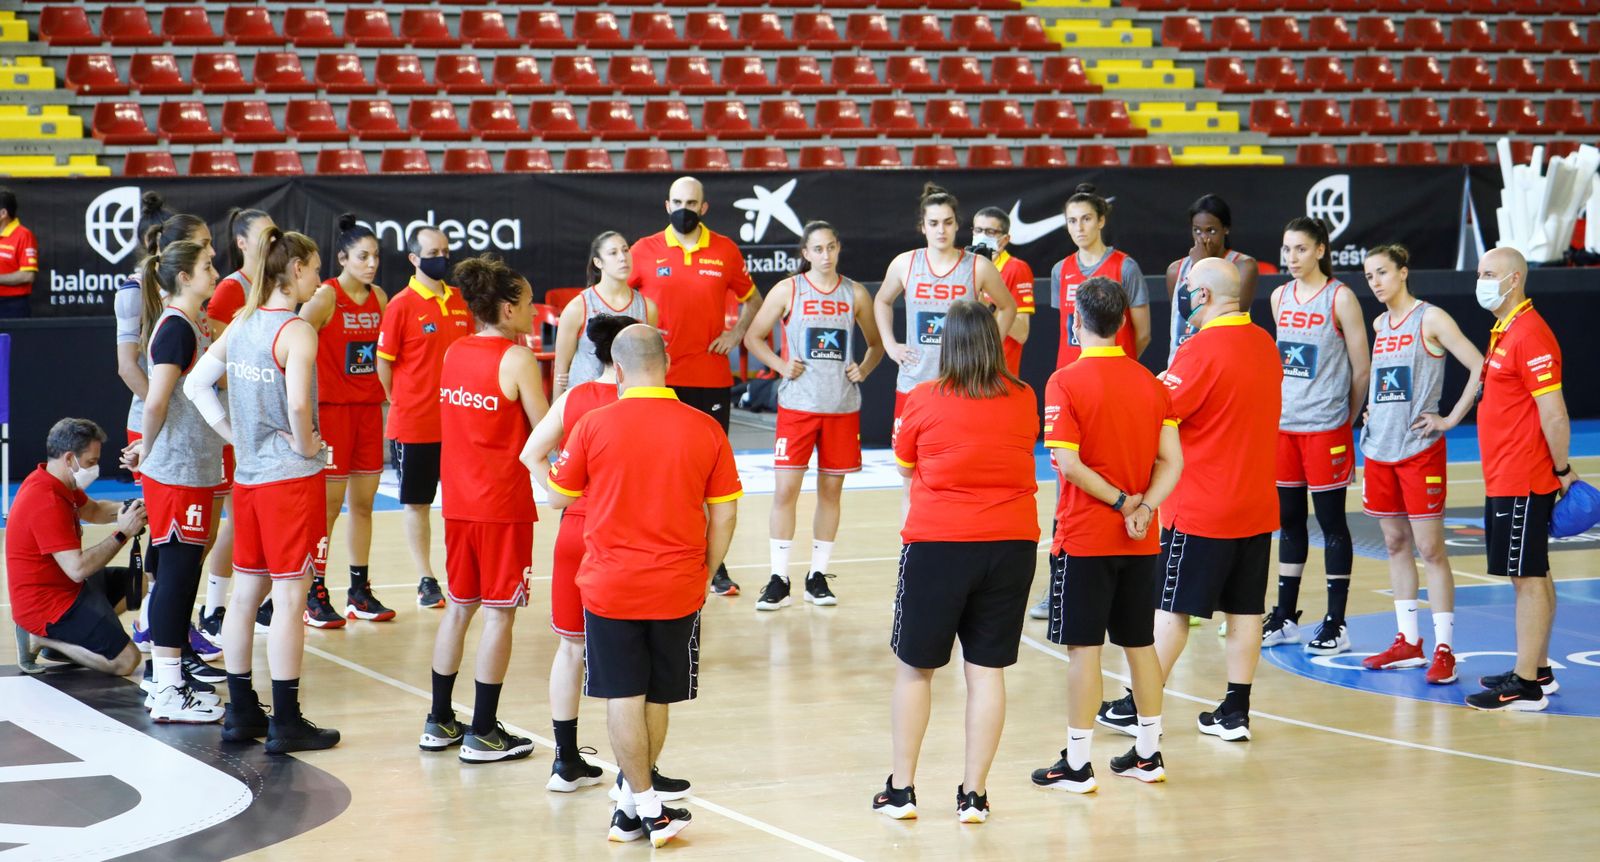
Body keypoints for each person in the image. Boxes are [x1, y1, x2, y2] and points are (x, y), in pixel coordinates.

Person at [546, 324, 741, 848]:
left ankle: (640, 808)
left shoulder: (593, 424)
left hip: (611, 583)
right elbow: (724, 516)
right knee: (658, 695)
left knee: (622, 693)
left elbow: (558, 498)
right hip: (678, 584)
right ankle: (639, 808)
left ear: (617, 367)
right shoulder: (705, 428)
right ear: (668, 363)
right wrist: (707, 570)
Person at [1099, 259, 1279, 743]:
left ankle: (1138, 705)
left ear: (1200, 296)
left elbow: (1154, 411)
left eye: (1185, 290)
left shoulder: (1201, 351)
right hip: (1256, 504)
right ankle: (1235, 711)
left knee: (1171, 608)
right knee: (1245, 611)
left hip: (1203, 506)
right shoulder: (1264, 343)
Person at [877, 301, 1038, 824]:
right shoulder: (1024, 397)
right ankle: (974, 795)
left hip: (938, 545)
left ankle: (902, 791)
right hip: (1011, 545)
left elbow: (905, 467)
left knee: (915, 672)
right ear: (995, 343)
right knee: (987, 673)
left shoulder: (923, 399)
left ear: (945, 345)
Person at [184, 226, 339, 754]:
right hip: (289, 483)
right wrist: (306, 444)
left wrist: (237, 436)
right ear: (295, 271)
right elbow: (299, 406)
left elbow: (195, 383)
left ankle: (242, 712)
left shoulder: (243, 321)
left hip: (248, 480)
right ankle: (287, 719)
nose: (320, 280)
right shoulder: (296, 331)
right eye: (316, 269)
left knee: (246, 594)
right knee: (292, 597)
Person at [1030, 278, 1182, 795]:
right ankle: (1148, 753)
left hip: (1086, 537)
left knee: (1084, 650)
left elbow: (1068, 464)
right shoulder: (1152, 384)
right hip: (1141, 539)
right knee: (1140, 644)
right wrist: (1144, 507)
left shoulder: (1064, 381)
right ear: (1122, 323)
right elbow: (1173, 462)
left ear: (1076, 320)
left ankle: (1077, 764)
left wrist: (1121, 503)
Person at [418, 255, 548, 762]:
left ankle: (440, 720)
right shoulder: (516, 360)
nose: (535, 311)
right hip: (501, 506)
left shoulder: (454, 352)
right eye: (530, 302)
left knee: (458, 609)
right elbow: (543, 431)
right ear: (509, 308)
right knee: (498, 616)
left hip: (459, 504)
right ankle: (485, 731)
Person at [627, 176, 759, 597]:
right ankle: (654, 553)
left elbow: (753, 300)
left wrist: (737, 332)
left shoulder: (725, 249)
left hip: (711, 378)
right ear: (667, 204)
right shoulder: (643, 251)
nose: (684, 208)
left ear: (704, 208)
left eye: (692, 202)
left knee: (709, 476)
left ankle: (714, 564)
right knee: (656, 471)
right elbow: (618, 297)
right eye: (678, 201)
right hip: (656, 382)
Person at [520, 313, 635, 791]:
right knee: (629, 655)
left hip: (576, 530)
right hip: (625, 536)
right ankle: (634, 773)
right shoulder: (644, 404)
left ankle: (565, 761)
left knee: (571, 649)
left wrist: (567, 495)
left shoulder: (575, 399)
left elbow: (530, 454)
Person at [742, 221, 883, 610]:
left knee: (830, 493)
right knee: (785, 491)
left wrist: (865, 369)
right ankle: (778, 576)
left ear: (839, 249)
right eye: (817, 249)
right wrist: (780, 364)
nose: (825, 255)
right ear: (805, 253)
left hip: (840, 407)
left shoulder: (855, 293)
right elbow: (753, 336)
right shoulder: (789, 289)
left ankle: (817, 575)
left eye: (831, 247)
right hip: (798, 408)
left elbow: (876, 343)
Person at [1358, 245, 1483, 685]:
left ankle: (1445, 648)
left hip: (1418, 451)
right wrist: (1372, 408)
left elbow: (1478, 365)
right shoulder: (1378, 323)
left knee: (1431, 550)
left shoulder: (1431, 318)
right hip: (1379, 450)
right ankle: (1408, 642)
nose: (1374, 282)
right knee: (1394, 544)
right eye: (1369, 275)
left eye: (1382, 273)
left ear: (1403, 273)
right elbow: (1385, 377)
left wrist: (1449, 418)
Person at [115, 198, 227, 658]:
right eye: (205, 249)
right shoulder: (141, 295)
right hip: (159, 432)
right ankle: (160, 637)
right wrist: (164, 422)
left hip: (186, 436)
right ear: (182, 260)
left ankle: (171, 631)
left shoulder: (195, 303)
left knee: (195, 544)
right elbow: (130, 369)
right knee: (175, 549)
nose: (214, 257)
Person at [1466, 247, 1574, 712]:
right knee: (1536, 571)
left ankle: (1525, 684)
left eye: (1489, 273)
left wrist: (1562, 469)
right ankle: (1540, 668)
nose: (1480, 279)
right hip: (1506, 475)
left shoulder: (1530, 333)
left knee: (1526, 577)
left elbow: (1554, 412)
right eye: (1479, 272)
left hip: (1523, 477)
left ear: (1513, 280)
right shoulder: (1505, 329)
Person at [1264, 217, 1370, 656]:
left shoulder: (1340, 299)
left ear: (1321, 250)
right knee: (1288, 522)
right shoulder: (1278, 296)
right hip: (1284, 427)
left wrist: (1346, 418)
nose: (1291, 258)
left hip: (1326, 429)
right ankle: (1286, 614)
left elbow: (1361, 367)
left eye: (1301, 249)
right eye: (1287, 249)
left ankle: (1336, 622)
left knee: (1331, 525)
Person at [299, 214, 393, 628]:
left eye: (375, 256)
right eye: (362, 256)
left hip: (370, 411)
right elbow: (291, 343)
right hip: (333, 413)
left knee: (364, 505)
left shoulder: (382, 299)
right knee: (328, 509)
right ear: (342, 258)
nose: (371, 263)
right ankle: (313, 590)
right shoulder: (324, 297)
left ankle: (359, 590)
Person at [376, 225, 473, 609]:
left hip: (459, 423)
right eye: (433, 252)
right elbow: (385, 366)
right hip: (415, 423)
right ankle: (426, 578)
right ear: (414, 258)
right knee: (417, 502)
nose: (442, 258)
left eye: (446, 251)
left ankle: (462, 572)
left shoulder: (460, 301)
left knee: (461, 501)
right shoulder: (401, 304)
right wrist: (401, 400)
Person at [9, 419, 146, 676]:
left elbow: (94, 510)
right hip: (47, 604)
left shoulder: (58, 482)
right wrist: (123, 533)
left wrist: (134, 507)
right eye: (91, 462)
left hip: (67, 588)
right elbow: (77, 568)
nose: (95, 468)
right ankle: (42, 638)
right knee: (127, 660)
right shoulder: (45, 500)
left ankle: (76, 638)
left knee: (139, 584)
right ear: (70, 458)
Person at [196, 208, 274, 630]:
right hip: (234, 416)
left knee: (254, 515)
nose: (272, 241)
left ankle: (261, 599)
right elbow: (216, 364)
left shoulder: (272, 286)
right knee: (232, 517)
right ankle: (213, 608)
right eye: (263, 235)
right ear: (242, 242)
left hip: (261, 416)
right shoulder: (231, 289)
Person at [1052, 184, 1149, 369]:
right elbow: (1066, 331)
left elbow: (1143, 334)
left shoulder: (1125, 267)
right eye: (1072, 221)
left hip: (1115, 374)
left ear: (1101, 221)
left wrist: (1122, 364)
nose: (1079, 227)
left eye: (1086, 219)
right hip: (1071, 373)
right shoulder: (1060, 270)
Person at [552, 231, 657, 400]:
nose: (623, 257)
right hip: (586, 401)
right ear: (598, 262)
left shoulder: (647, 307)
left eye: (625, 250)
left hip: (627, 403)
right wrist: (556, 414)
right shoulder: (577, 307)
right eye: (613, 253)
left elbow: (649, 363)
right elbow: (560, 368)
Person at [1165, 194, 1259, 359]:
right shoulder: (1175, 270)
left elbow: (1234, 315)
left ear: (1226, 229)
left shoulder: (1243, 265)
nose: (1203, 238)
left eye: (1211, 230)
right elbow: (1185, 312)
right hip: (1182, 361)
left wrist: (1203, 263)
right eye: (1197, 230)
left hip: (1223, 359)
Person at [971, 207, 1036, 376]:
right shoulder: (964, 265)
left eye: (990, 232)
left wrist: (990, 308)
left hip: (999, 374)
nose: (982, 236)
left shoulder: (1016, 269)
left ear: (1005, 239)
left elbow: (1022, 333)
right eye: (978, 230)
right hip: (966, 370)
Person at [0, 186, 39, 318]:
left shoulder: (23, 235)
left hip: (11, 306)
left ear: (3, 213)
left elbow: (27, 276)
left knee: (14, 339)